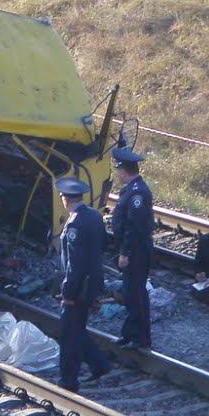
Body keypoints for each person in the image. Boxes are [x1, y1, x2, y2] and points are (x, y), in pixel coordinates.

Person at [54, 177, 112, 391]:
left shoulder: (74, 223)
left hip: (79, 287)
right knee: (77, 327)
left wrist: (67, 291)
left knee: (68, 333)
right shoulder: (94, 216)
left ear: (65, 199)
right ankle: (99, 364)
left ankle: (68, 381)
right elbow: (102, 247)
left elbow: (74, 263)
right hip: (93, 282)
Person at [111, 145, 153, 350]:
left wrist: (125, 252)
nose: (116, 173)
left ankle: (140, 338)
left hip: (135, 251)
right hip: (133, 250)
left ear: (124, 169)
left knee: (135, 294)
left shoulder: (137, 194)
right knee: (131, 293)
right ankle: (130, 334)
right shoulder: (132, 189)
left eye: (117, 169)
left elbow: (134, 227)